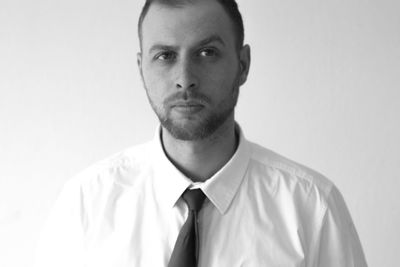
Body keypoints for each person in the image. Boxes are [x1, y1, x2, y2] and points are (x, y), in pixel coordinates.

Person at [35, 0, 368, 266]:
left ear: (243, 65)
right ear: (141, 69)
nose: (185, 78)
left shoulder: (312, 207)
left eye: (207, 53)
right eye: (164, 56)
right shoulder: (85, 205)